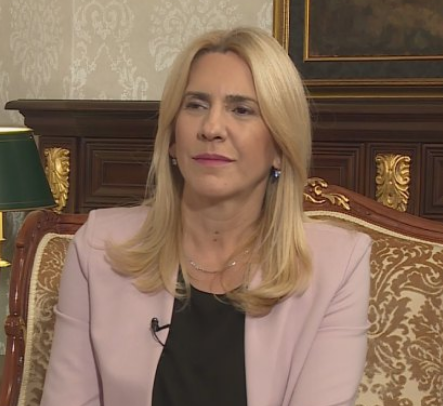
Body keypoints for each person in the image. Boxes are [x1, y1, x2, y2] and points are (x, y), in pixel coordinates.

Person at [40, 26, 370, 406]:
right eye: (196, 105)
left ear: (280, 147)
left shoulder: (337, 265)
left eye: (241, 109)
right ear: (172, 138)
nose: (211, 128)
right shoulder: (98, 249)